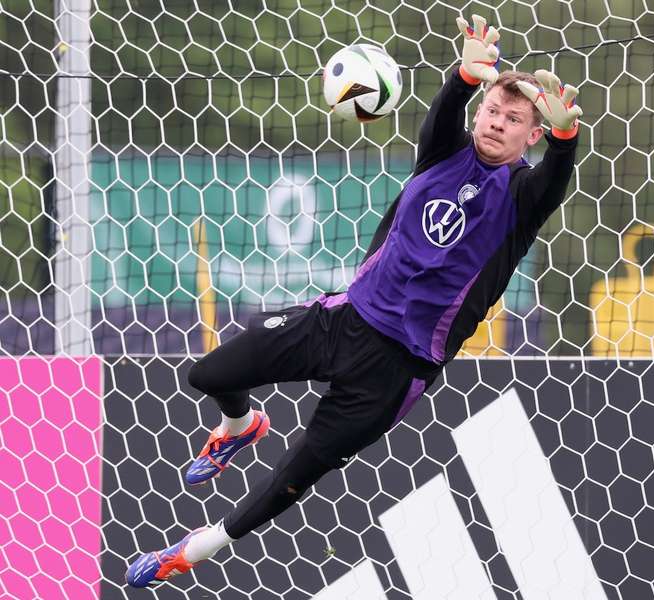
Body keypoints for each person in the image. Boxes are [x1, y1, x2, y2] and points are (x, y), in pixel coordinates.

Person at [125, 13, 582, 588]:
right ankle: (241, 425)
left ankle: (193, 552)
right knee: (211, 372)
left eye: (515, 119)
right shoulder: (444, 154)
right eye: (492, 110)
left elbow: (554, 180)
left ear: (531, 135)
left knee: (296, 473)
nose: (497, 123)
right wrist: (465, 76)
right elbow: (446, 112)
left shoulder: (520, 199)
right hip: (342, 320)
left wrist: (567, 141)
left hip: (399, 369)